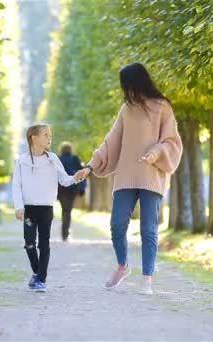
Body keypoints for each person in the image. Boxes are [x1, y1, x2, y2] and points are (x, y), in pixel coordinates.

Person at [76, 63, 183, 295]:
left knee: (149, 229)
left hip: (151, 176)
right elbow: (110, 142)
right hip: (125, 175)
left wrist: (154, 153)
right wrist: (91, 166)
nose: (125, 89)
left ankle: (147, 279)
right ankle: (123, 265)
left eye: (126, 84)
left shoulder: (162, 107)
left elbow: (172, 142)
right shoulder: (126, 109)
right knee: (116, 225)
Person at [12, 123, 83, 292]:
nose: (49, 138)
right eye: (45, 135)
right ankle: (37, 272)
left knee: (44, 244)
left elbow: (64, 180)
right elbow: (16, 185)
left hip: (46, 209)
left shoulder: (52, 159)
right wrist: (18, 206)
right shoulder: (22, 160)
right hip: (29, 209)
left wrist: (76, 177)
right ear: (33, 137)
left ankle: (41, 280)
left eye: (50, 135)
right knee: (29, 243)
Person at [57, 142, 85, 241]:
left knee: (63, 210)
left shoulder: (58, 159)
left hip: (60, 190)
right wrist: (82, 189)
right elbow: (82, 174)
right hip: (72, 189)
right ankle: (66, 232)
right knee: (68, 211)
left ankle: (64, 232)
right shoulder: (75, 159)